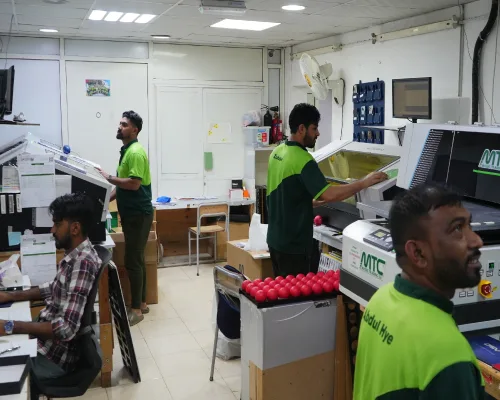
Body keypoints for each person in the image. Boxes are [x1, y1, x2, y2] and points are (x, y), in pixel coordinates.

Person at [353, 184, 485, 399]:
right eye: (457, 229)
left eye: (469, 225)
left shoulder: (380, 300)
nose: (477, 240)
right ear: (418, 253)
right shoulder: (450, 359)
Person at [266, 103, 387, 277]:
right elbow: (328, 194)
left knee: (282, 291)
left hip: (275, 240)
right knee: (298, 292)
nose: (318, 133)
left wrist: (310, 203)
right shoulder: (303, 159)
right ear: (302, 129)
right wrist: (363, 183)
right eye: (314, 128)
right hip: (294, 245)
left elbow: (286, 194)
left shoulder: (277, 152)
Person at [0, 193, 101, 380]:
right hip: (43, 341)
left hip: (52, 356)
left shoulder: (83, 262)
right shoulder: (74, 255)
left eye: (57, 224)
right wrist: (10, 296)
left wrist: (11, 326)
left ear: (75, 228)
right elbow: (52, 288)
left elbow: (66, 328)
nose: (52, 230)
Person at [97, 110, 153, 326]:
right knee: (137, 259)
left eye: (124, 124)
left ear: (135, 130)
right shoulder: (127, 151)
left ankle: (136, 310)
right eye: (120, 124)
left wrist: (108, 177)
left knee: (133, 260)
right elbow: (122, 186)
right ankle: (143, 303)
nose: (119, 127)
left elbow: (134, 184)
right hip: (132, 214)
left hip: (138, 214)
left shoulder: (135, 152)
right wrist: (105, 201)